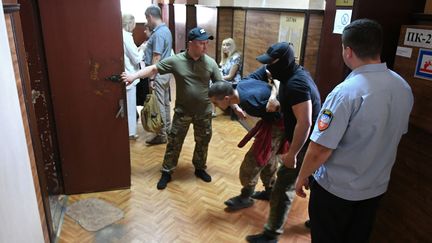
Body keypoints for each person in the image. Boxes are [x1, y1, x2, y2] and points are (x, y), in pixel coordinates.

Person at [295, 19, 414, 243]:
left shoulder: (346, 92)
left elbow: (320, 148)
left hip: (337, 191)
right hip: (375, 189)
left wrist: (301, 176)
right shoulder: (403, 87)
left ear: (348, 51)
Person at [121, 27, 222, 190]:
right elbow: (154, 68)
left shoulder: (210, 63)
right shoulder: (177, 60)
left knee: (203, 142)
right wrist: (133, 76)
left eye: (206, 43)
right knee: (174, 142)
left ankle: (200, 168)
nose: (205, 46)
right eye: (201, 43)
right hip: (183, 112)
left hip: (203, 113)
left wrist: (235, 105)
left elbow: (222, 86)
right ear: (191, 44)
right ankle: (167, 171)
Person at [245, 42, 321, 243]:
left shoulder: (296, 84)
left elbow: (305, 122)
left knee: (282, 186)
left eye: (271, 63)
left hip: (306, 145)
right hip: (312, 143)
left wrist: (293, 154)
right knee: (316, 183)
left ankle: (271, 234)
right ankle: (319, 221)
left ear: (283, 62)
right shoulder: (294, 74)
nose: (268, 67)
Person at [209, 79, 287, 211]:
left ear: (227, 98)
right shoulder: (241, 84)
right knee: (268, 158)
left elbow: (278, 109)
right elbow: (269, 74)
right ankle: (270, 191)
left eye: (215, 102)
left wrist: (273, 98)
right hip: (275, 123)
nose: (215, 106)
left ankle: (245, 197)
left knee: (253, 162)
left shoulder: (250, 103)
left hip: (278, 125)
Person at [143, 5, 173, 145]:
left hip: (158, 74)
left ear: (150, 16)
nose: (146, 22)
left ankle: (161, 135)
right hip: (165, 73)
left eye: (146, 18)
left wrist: (152, 78)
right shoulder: (165, 30)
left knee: (159, 104)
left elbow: (156, 57)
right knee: (165, 103)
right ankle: (167, 130)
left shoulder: (159, 33)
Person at [122, 13, 144, 140]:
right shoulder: (127, 37)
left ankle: (128, 130)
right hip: (130, 74)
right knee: (130, 106)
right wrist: (143, 49)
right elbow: (136, 59)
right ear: (130, 24)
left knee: (127, 106)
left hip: (125, 72)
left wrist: (138, 49)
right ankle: (131, 132)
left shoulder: (119, 35)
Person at [136, 24, 153, 108]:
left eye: (146, 30)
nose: (144, 31)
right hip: (142, 70)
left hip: (147, 71)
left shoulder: (150, 43)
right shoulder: (146, 41)